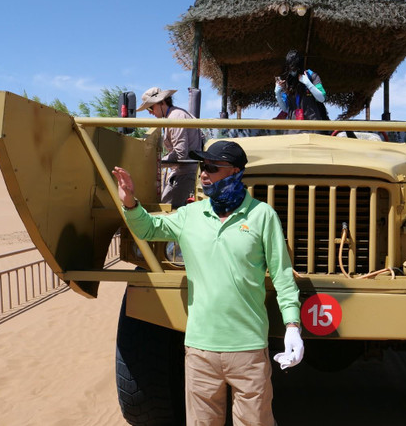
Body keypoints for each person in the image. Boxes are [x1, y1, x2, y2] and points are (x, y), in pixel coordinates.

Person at [112, 140, 304, 426]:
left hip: (248, 349)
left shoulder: (263, 216)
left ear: (235, 172)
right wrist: (129, 201)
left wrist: (292, 326)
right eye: (203, 166)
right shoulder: (190, 215)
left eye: (212, 167)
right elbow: (148, 228)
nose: (204, 173)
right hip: (200, 351)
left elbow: (282, 275)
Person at [137, 86, 204, 209]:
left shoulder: (175, 117)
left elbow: (180, 152)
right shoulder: (175, 115)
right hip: (185, 171)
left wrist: (156, 163)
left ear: (162, 103)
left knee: (166, 209)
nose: (150, 112)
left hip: (185, 173)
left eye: (151, 107)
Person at [275, 50, 328, 122]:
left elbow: (322, 98)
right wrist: (277, 94)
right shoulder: (287, 81)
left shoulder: (312, 76)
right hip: (294, 128)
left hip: (312, 125)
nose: (292, 71)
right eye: (290, 68)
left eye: (294, 68)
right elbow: (285, 108)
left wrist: (308, 83)